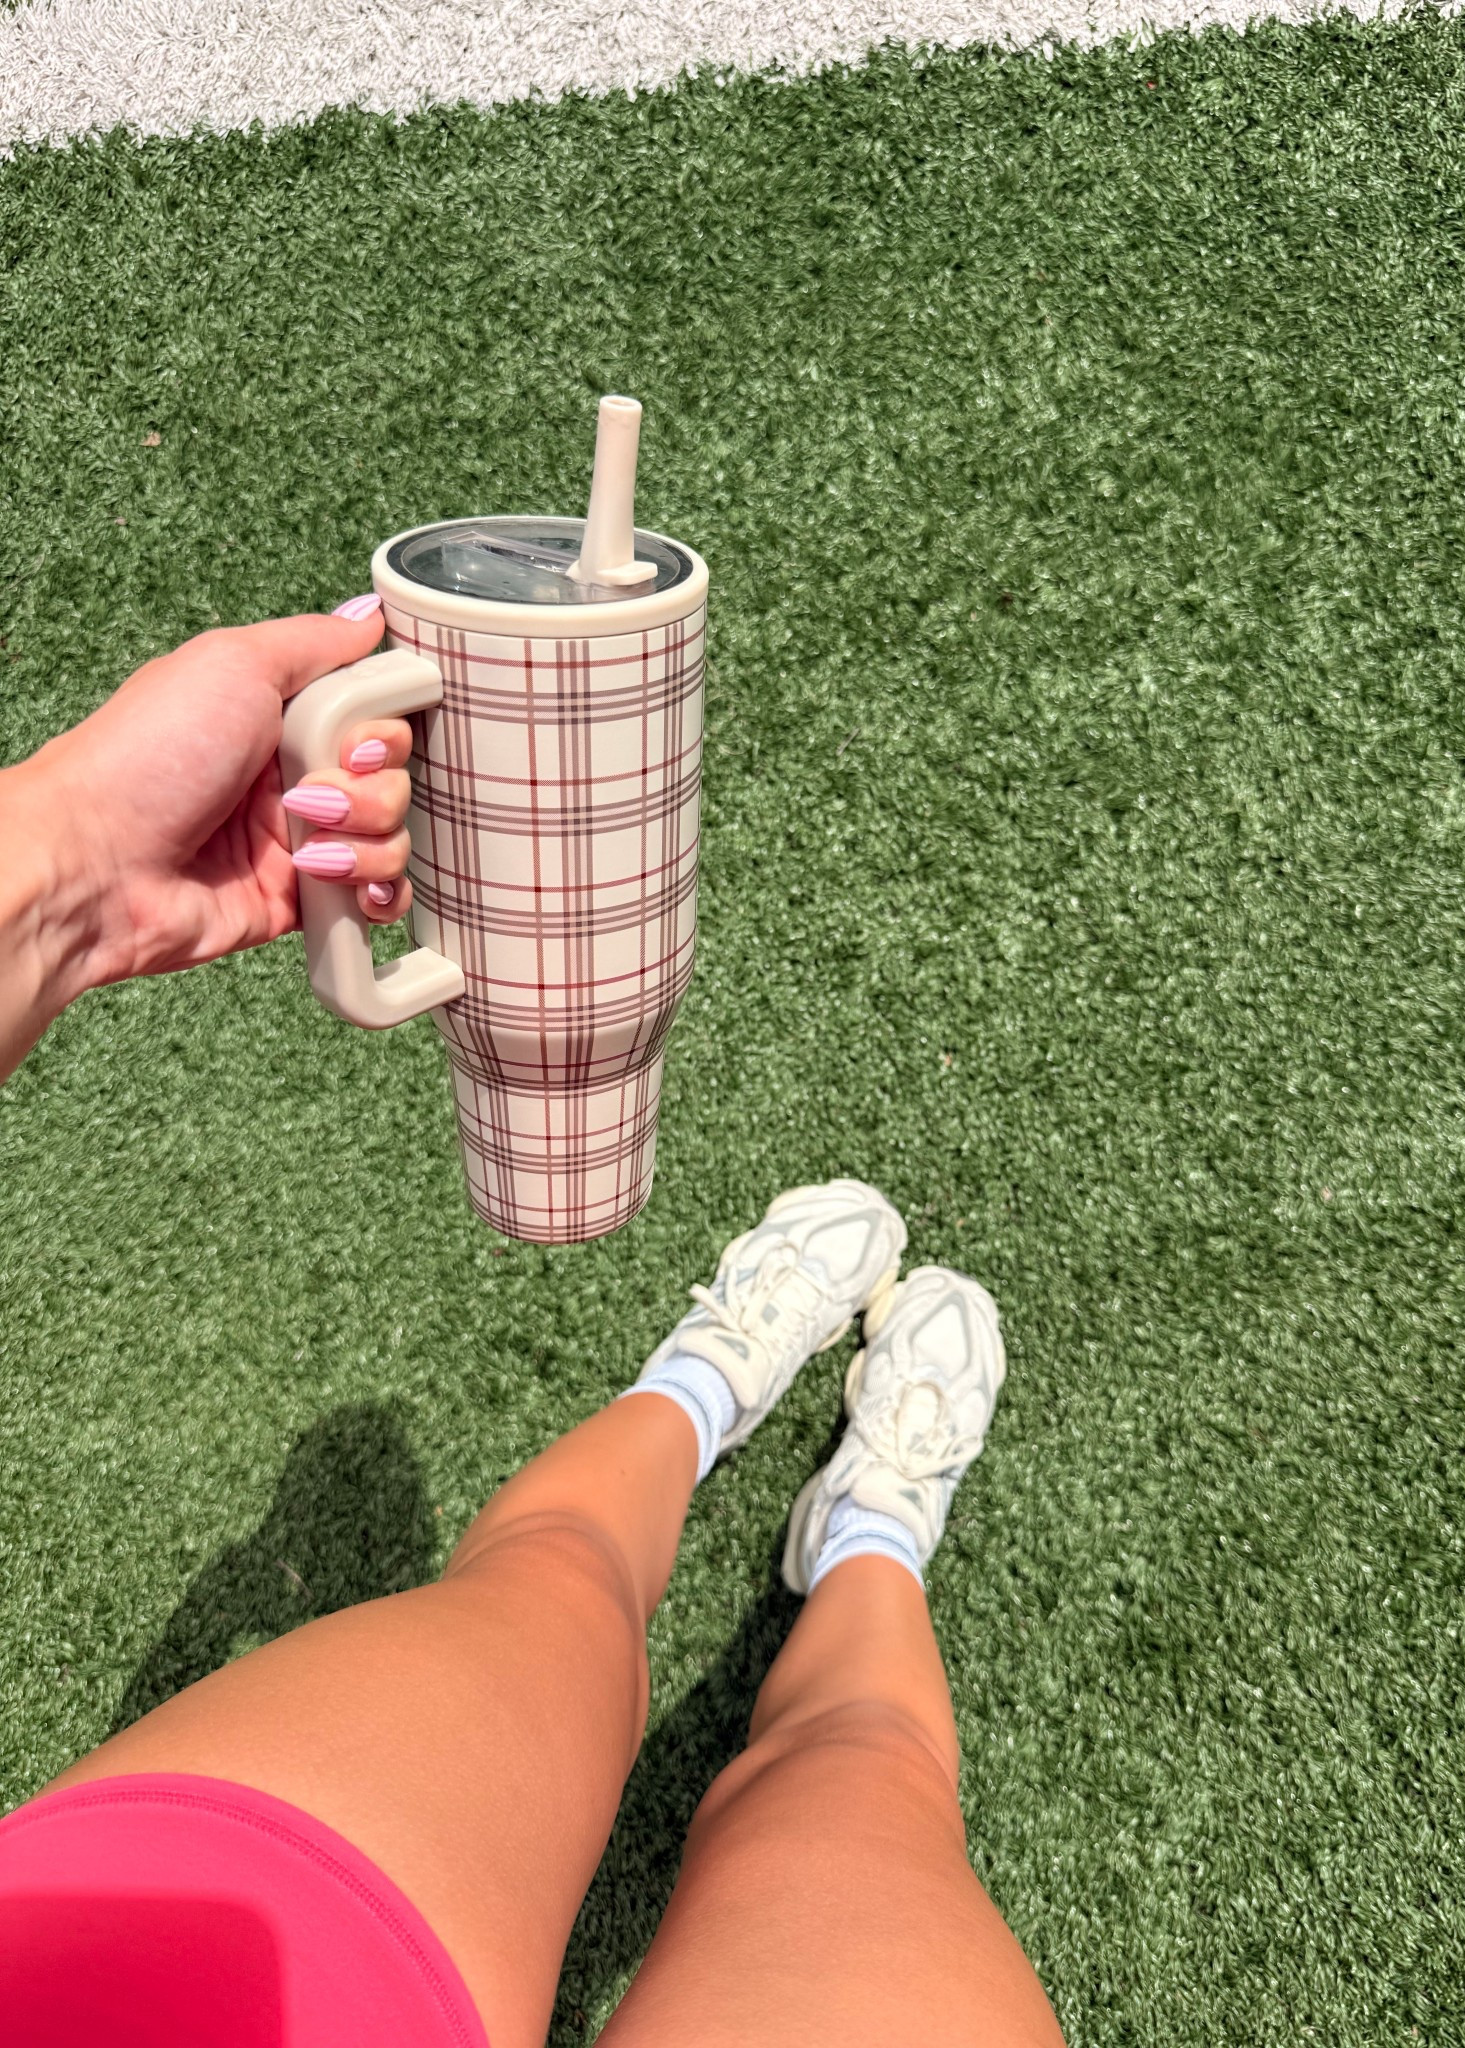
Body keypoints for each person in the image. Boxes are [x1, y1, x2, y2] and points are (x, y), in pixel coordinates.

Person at [0, 603, 1067, 2048]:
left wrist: (66, 860)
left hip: (131, 1980)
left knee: (554, 1588)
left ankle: (703, 1387)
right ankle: (871, 1530)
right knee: (859, 1774)